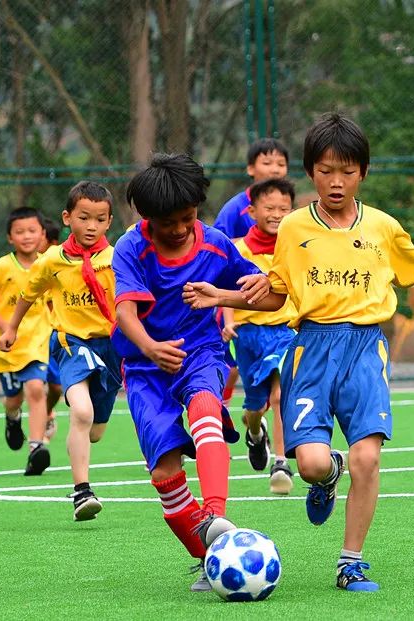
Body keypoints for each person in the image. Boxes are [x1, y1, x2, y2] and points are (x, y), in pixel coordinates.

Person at [182, 112, 414, 592]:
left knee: (368, 456)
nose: (336, 182)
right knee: (312, 463)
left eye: (347, 171)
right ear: (310, 173)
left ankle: (350, 562)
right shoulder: (295, 228)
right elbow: (279, 292)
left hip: (366, 348)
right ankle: (328, 476)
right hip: (313, 348)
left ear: (363, 172)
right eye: (325, 171)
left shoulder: (383, 228)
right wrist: (224, 297)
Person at [112, 153, 267, 592]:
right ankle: (209, 555)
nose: (179, 229)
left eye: (188, 217)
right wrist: (149, 347)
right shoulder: (131, 248)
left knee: (204, 411)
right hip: (145, 367)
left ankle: (216, 515)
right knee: (164, 473)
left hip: (201, 352)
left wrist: (233, 295)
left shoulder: (218, 243)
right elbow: (125, 310)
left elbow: (264, 294)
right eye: (167, 223)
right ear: (146, 217)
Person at [0, 182, 121, 522]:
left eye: (99, 219)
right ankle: (82, 491)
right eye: (84, 218)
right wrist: (11, 328)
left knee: (96, 429)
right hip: (71, 342)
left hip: (111, 347)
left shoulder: (116, 258)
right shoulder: (52, 259)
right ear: (67, 218)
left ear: (109, 222)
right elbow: (28, 292)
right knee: (80, 412)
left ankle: (88, 432)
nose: (91, 226)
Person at [220, 177, 298, 494]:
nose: (277, 214)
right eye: (270, 208)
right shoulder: (238, 250)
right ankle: (254, 432)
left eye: (284, 208)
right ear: (252, 211)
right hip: (249, 335)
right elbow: (226, 289)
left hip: (285, 331)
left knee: (279, 395)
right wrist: (227, 321)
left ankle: (281, 462)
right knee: (256, 404)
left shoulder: (294, 248)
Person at [214, 138, 290, 410]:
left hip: (279, 316)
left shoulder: (290, 218)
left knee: (281, 388)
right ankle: (225, 411)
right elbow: (221, 249)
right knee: (232, 370)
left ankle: (280, 452)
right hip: (240, 303)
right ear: (250, 168)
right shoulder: (235, 208)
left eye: (280, 164)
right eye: (267, 162)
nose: (274, 169)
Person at [0, 207, 51, 476]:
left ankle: (36, 447)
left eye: (32, 230)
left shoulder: (48, 265)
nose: (27, 236)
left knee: (35, 389)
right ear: (10, 237)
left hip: (38, 343)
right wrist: (8, 326)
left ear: (43, 234)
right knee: (14, 398)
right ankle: (12, 418)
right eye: (20, 232)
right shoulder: (1, 267)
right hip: (7, 348)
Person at [38, 217, 63, 444]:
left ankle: (46, 412)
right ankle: (37, 427)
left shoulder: (60, 264)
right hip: (34, 338)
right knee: (33, 385)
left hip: (57, 336)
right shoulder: (34, 267)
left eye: (39, 234)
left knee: (56, 387)